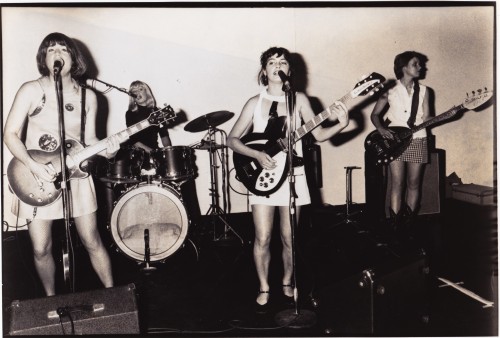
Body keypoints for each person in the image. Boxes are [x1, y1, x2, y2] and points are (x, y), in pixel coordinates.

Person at [227, 47, 349, 309]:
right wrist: (257, 154)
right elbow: (232, 139)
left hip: (294, 174)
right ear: (264, 70)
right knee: (262, 236)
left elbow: (317, 135)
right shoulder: (254, 102)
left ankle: (286, 281)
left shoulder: (299, 100)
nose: (277, 66)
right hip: (263, 175)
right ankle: (263, 286)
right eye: (272, 62)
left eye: (282, 62)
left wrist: (341, 123)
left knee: (289, 237)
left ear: (289, 71)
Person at [3, 32, 124, 296]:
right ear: (43, 59)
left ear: (73, 57)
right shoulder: (31, 89)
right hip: (36, 175)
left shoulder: (88, 97)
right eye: (50, 50)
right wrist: (35, 167)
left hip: (76, 177)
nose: (57, 54)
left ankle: (115, 298)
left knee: (92, 240)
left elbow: (90, 140)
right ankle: (50, 299)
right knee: (40, 247)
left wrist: (110, 152)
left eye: (63, 49)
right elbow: (9, 134)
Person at [370, 51, 430, 236]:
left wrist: (437, 118)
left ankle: (409, 225)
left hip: (418, 138)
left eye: (419, 64)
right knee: (397, 183)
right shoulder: (389, 89)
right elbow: (374, 114)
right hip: (394, 140)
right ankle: (395, 227)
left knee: (414, 184)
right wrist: (381, 129)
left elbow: (427, 116)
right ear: (404, 67)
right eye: (415, 64)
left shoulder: (425, 91)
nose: (420, 67)